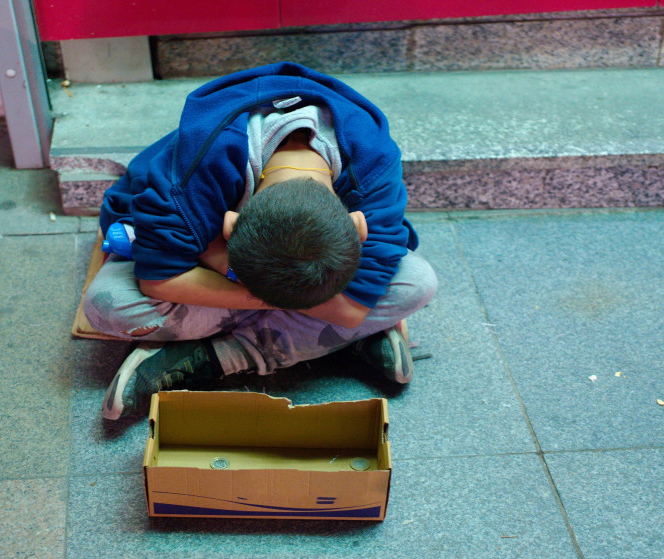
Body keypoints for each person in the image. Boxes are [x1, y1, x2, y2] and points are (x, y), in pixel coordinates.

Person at [84, 62, 438, 420]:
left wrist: (222, 264)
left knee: (419, 282)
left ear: (357, 223)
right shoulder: (192, 179)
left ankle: (220, 357)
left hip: (226, 267)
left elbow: (351, 310)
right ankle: (337, 340)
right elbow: (157, 280)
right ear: (229, 224)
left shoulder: (373, 166)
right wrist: (304, 300)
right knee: (105, 305)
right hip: (220, 250)